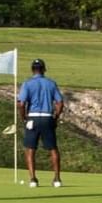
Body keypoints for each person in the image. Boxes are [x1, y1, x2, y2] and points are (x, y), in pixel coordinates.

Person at [17, 57, 65, 188]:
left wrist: (24, 118)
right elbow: (60, 103)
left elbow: (21, 104)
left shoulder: (27, 84)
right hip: (47, 117)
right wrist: (56, 117)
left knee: (30, 149)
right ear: (43, 69)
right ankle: (57, 179)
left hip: (32, 118)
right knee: (53, 149)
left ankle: (33, 179)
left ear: (32, 70)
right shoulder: (51, 83)